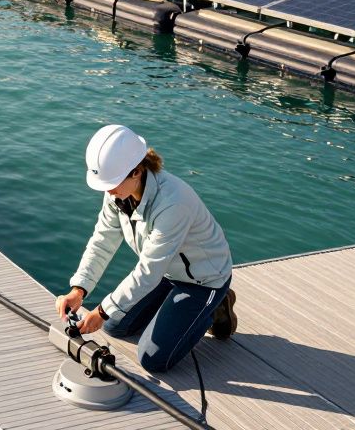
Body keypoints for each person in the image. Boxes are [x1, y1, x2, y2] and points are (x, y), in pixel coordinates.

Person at [55, 124, 235, 373]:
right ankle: (177, 309)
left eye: (112, 183)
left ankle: (214, 306)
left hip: (204, 279)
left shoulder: (174, 203)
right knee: (114, 326)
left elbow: (148, 271)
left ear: (137, 172)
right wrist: (79, 289)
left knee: (154, 359)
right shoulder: (118, 193)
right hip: (168, 272)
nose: (107, 190)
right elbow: (102, 241)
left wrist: (101, 310)